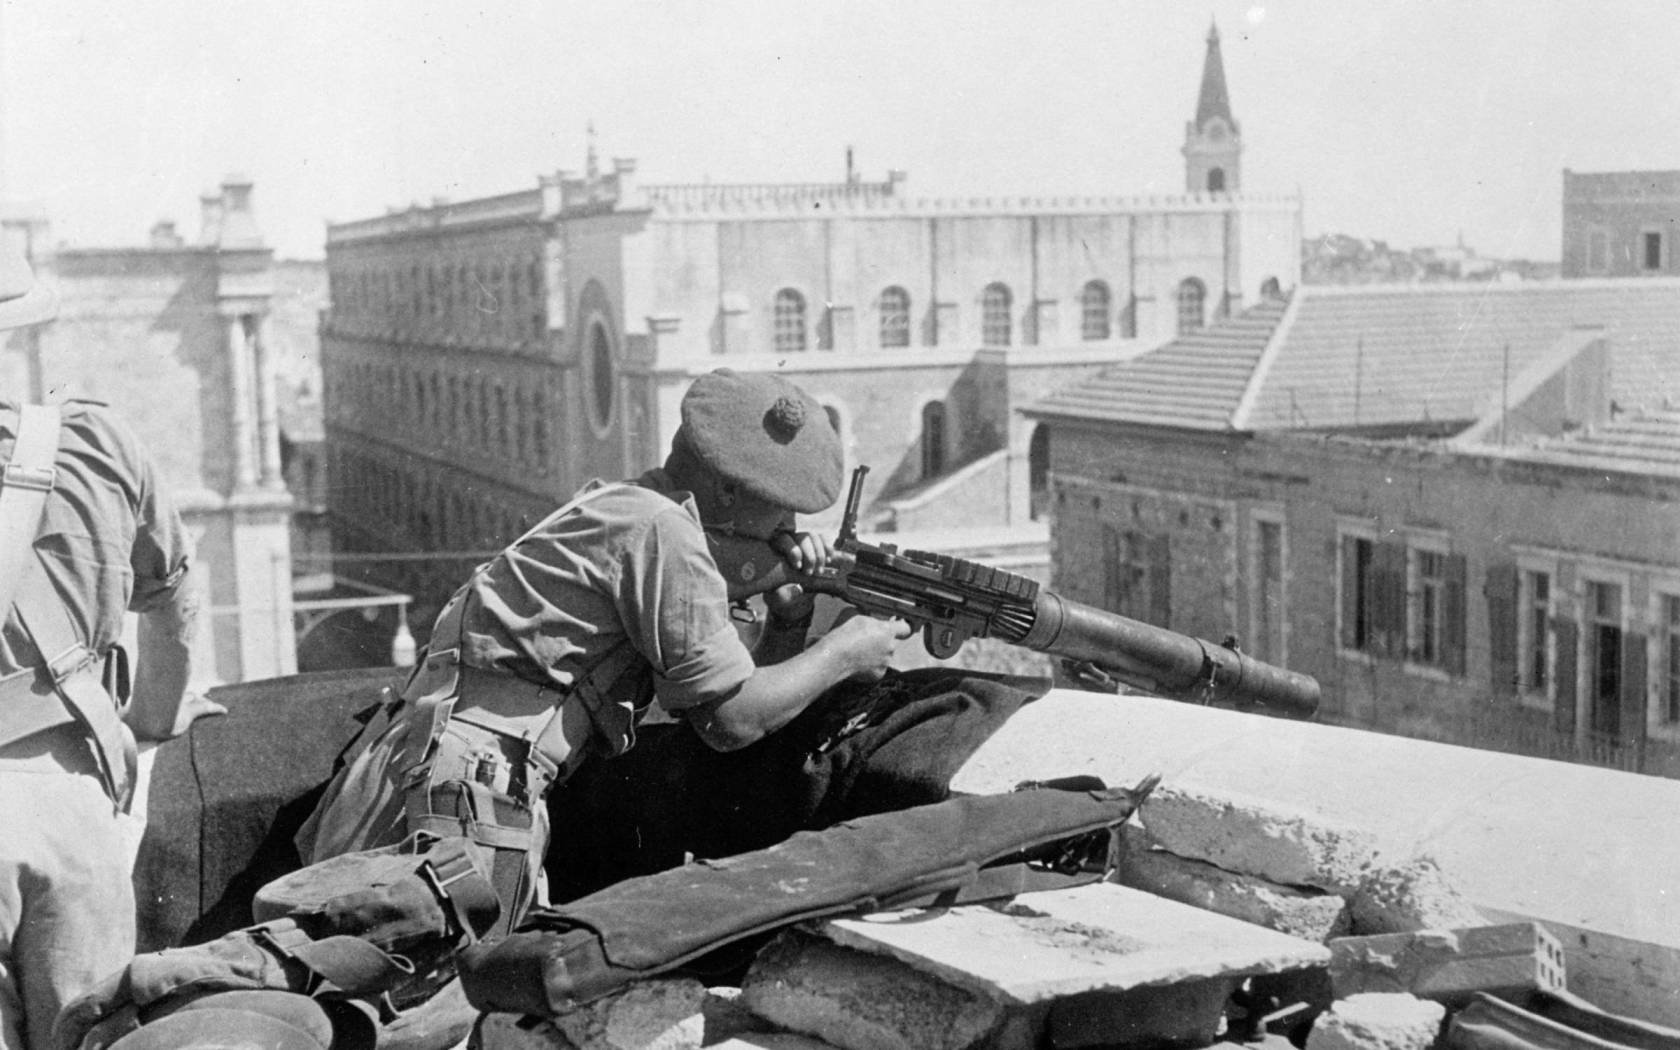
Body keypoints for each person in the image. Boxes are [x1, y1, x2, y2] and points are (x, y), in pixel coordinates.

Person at [296, 368, 911, 931]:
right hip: (464, 793)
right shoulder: (666, 533)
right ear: (726, 493)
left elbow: (741, 694)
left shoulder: (625, 503)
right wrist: (846, 651)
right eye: (781, 506)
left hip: (424, 769)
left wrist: (790, 616)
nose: (788, 526)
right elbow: (730, 722)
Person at [0, 243, 223, 1050]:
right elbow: (173, 596)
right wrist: (150, 717)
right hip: (66, 802)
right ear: (26, 331)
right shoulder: (97, 440)